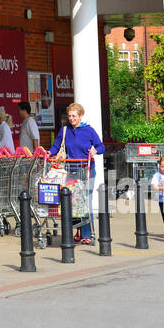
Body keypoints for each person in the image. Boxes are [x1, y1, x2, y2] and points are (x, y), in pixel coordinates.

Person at [47, 103, 104, 244]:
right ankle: (77, 230)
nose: (71, 119)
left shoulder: (88, 130)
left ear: (80, 116)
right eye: (69, 116)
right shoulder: (65, 130)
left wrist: (95, 151)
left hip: (86, 170)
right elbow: (56, 145)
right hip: (70, 170)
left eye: (74, 116)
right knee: (71, 202)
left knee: (85, 201)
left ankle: (86, 234)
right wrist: (50, 152)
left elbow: (101, 146)